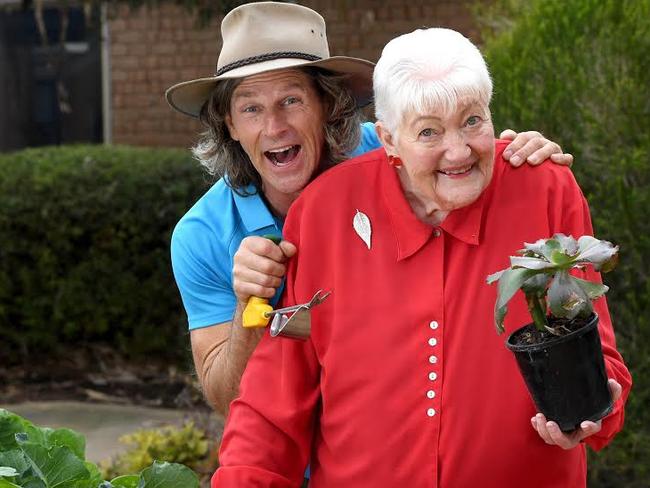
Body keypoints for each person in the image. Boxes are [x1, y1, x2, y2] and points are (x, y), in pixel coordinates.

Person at [212, 27, 631, 487]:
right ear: (388, 140)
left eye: (472, 121)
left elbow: (595, 351)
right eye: (429, 131)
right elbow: (273, 404)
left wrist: (597, 407)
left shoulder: (542, 187)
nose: (459, 150)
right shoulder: (323, 212)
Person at [166, 1, 573, 416]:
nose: (274, 126)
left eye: (291, 100)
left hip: (409, 434)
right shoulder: (201, 235)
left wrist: (523, 162)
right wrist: (246, 305)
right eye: (251, 108)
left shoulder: (395, 151)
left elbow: (464, 154)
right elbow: (225, 398)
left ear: (327, 104)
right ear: (230, 124)